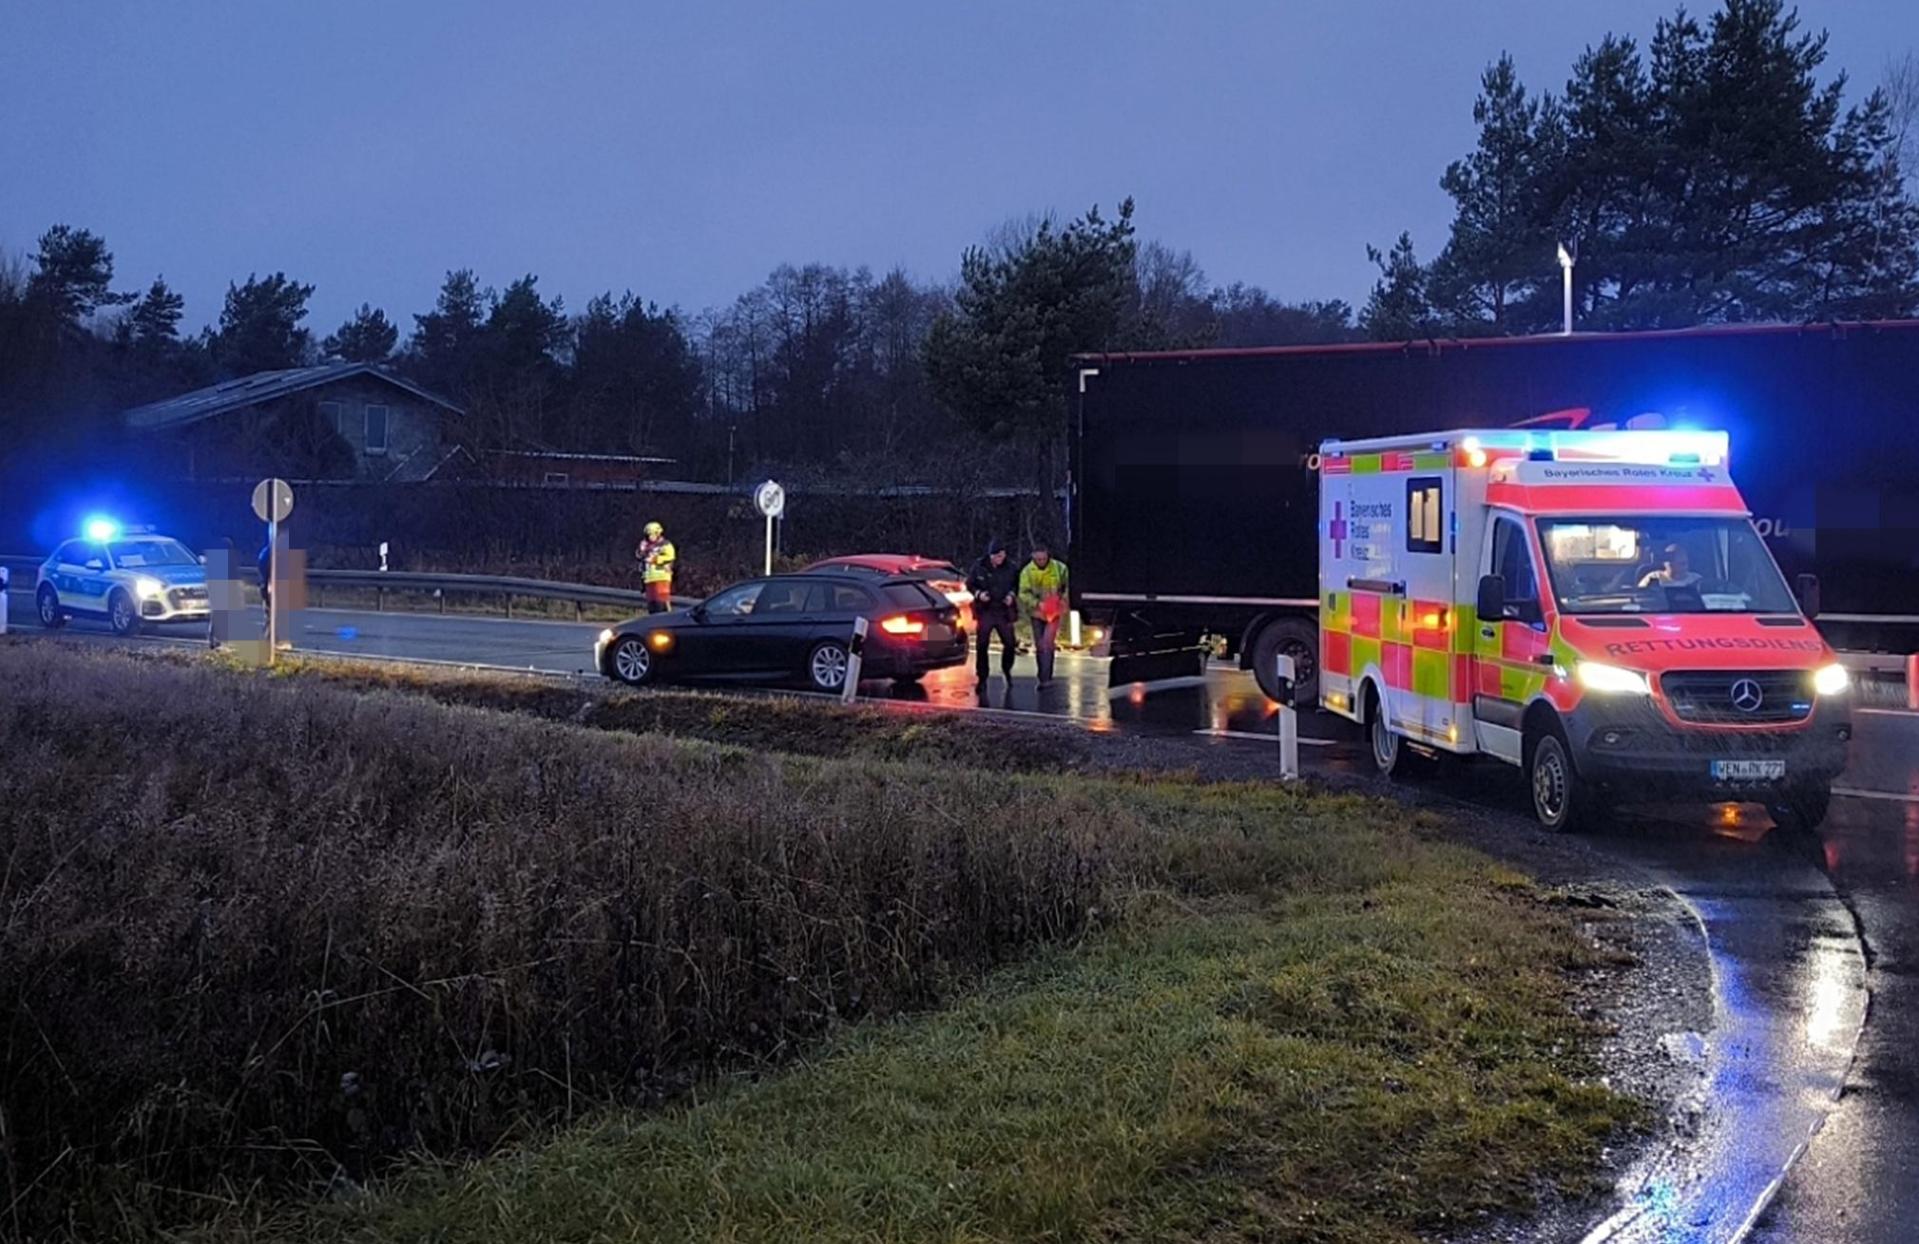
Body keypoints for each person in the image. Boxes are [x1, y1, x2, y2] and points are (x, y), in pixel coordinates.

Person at [966, 538, 1020, 688]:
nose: (999, 560)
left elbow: (1017, 585)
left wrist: (1011, 595)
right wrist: (979, 594)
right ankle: (982, 677)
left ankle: (1007, 670)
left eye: (1002, 556)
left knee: (1010, 643)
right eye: (996, 557)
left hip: (1004, 610)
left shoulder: (1011, 567)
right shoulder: (979, 566)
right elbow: (970, 584)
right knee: (982, 645)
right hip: (986, 610)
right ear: (990, 556)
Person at [1018, 541, 1069, 689]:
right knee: (1040, 645)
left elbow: (1068, 586)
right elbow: (1023, 593)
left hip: (1054, 612)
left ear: (1048, 556)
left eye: (1043, 558)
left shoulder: (1059, 568)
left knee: (1047, 643)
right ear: (1033, 557)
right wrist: (1037, 604)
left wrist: (1063, 601)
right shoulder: (1027, 572)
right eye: (1038, 559)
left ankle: (1046, 678)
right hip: (1037, 613)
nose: (1041, 561)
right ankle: (1042, 675)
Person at [636, 521, 676, 614]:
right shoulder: (645, 545)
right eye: (648, 535)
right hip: (649, 578)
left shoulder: (665, 545)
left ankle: (665, 623)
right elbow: (638, 555)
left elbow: (670, 557)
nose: (650, 537)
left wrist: (655, 559)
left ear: (658, 534)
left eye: (652, 534)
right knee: (652, 604)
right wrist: (641, 551)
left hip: (662, 578)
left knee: (661, 604)